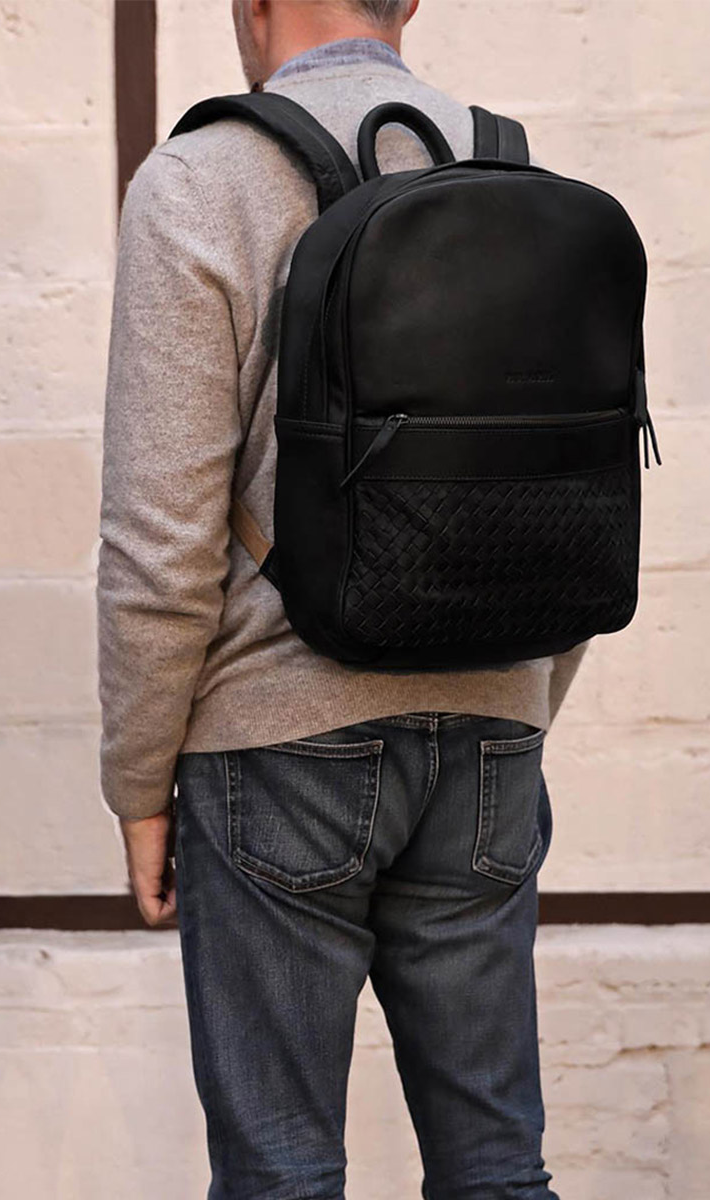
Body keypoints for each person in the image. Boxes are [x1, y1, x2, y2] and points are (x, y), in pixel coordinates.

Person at [97, 1, 591, 1195]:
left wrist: (138, 783)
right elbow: (578, 492)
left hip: (276, 742)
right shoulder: (508, 167)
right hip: (492, 731)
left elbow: (161, 541)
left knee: (281, 1173)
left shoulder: (200, 180)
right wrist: (519, 701)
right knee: (496, 1167)